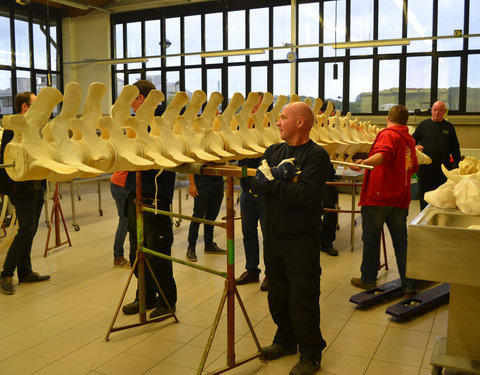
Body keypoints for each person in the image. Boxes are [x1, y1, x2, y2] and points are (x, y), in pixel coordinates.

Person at [252, 102, 330, 375]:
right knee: (278, 294)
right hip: (273, 236)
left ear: (300, 122)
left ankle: (310, 353)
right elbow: (254, 184)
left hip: (301, 240)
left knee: (303, 297)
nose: (278, 122)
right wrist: (282, 183)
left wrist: (271, 183)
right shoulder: (273, 151)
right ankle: (284, 340)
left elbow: (304, 195)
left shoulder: (316, 156)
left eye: (283, 117)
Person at [121, 80, 177, 319]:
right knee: (138, 250)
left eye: (132, 98)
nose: (130, 104)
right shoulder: (136, 124)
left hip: (155, 197)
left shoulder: (163, 123)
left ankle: (166, 301)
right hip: (136, 194)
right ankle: (144, 297)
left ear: (142, 99)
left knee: (157, 251)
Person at [350, 105, 419, 295]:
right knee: (401, 242)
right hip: (400, 198)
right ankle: (409, 284)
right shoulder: (408, 140)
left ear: (388, 118)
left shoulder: (388, 134)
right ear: (405, 121)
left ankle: (368, 279)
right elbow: (412, 167)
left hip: (378, 197)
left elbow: (383, 154)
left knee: (371, 239)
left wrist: (365, 162)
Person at [0, 91, 50, 295]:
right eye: (35, 104)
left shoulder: (36, 129)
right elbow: (9, 162)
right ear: (24, 108)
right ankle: (6, 273)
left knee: (30, 230)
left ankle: (25, 271)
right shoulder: (13, 129)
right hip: (21, 190)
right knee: (26, 231)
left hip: (37, 187)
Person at [235, 92, 268, 291]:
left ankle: (271, 273)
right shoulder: (240, 128)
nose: (253, 110)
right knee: (248, 231)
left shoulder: (269, 130)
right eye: (251, 106)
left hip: (265, 191)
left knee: (268, 233)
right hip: (246, 190)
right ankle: (252, 270)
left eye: (257, 107)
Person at [412, 100, 461, 210]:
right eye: (435, 110)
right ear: (431, 110)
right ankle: (423, 220)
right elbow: (411, 141)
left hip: (443, 168)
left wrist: (458, 165)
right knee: (425, 196)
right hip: (426, 169)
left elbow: (455, 147)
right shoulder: (423, 125)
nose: (437, 112)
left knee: (443, 196)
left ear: (444, 112)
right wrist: (415, 147)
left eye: (440, 110)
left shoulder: (449, 127)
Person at [185, 172, 227, 262]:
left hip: (218, 183)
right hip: (202, 184)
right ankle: (191, 247)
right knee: (197, 217)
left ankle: (209, 245)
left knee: (211, 217)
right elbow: (191, 165)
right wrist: (192, 184)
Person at [318, 102, 339, 257]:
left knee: (331, 207)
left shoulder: (334, 129)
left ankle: (327, 242)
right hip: (309, 173)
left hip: (328, 173)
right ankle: (313, 239)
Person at [110, 171, 130, 267]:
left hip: (120, 184)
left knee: (127, 221)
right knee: (124, 221)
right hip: (121, 186)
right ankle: (118, 257)